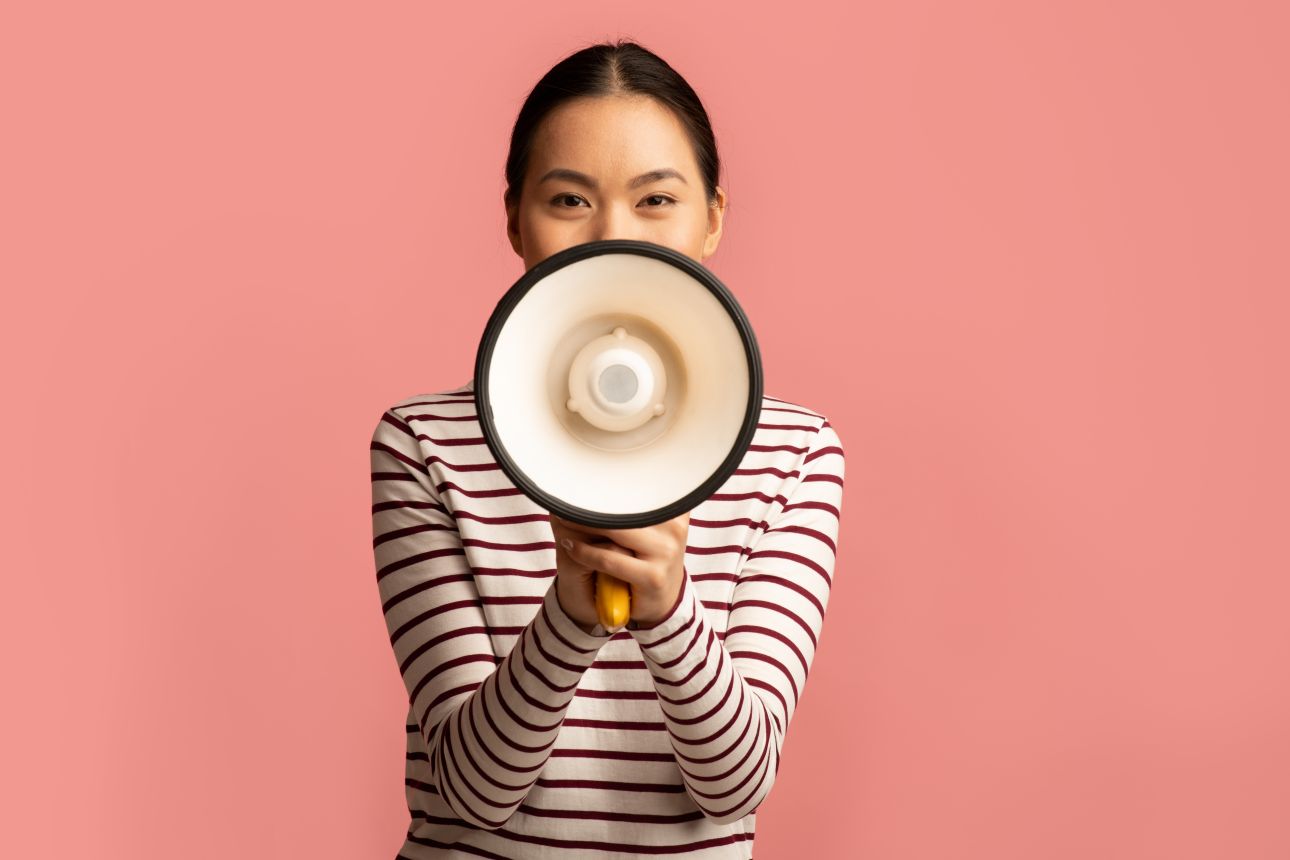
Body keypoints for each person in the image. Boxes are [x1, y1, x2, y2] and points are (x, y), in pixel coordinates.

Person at [369, 39, 846, 859]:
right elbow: (475, 794)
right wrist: (569, 617)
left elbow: (734, 787)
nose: (611, 237)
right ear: (514, 218)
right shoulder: (424, 444)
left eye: (656, 200)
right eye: (569, 200)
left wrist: (665, 609)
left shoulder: (793, 453)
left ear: (713, 220)